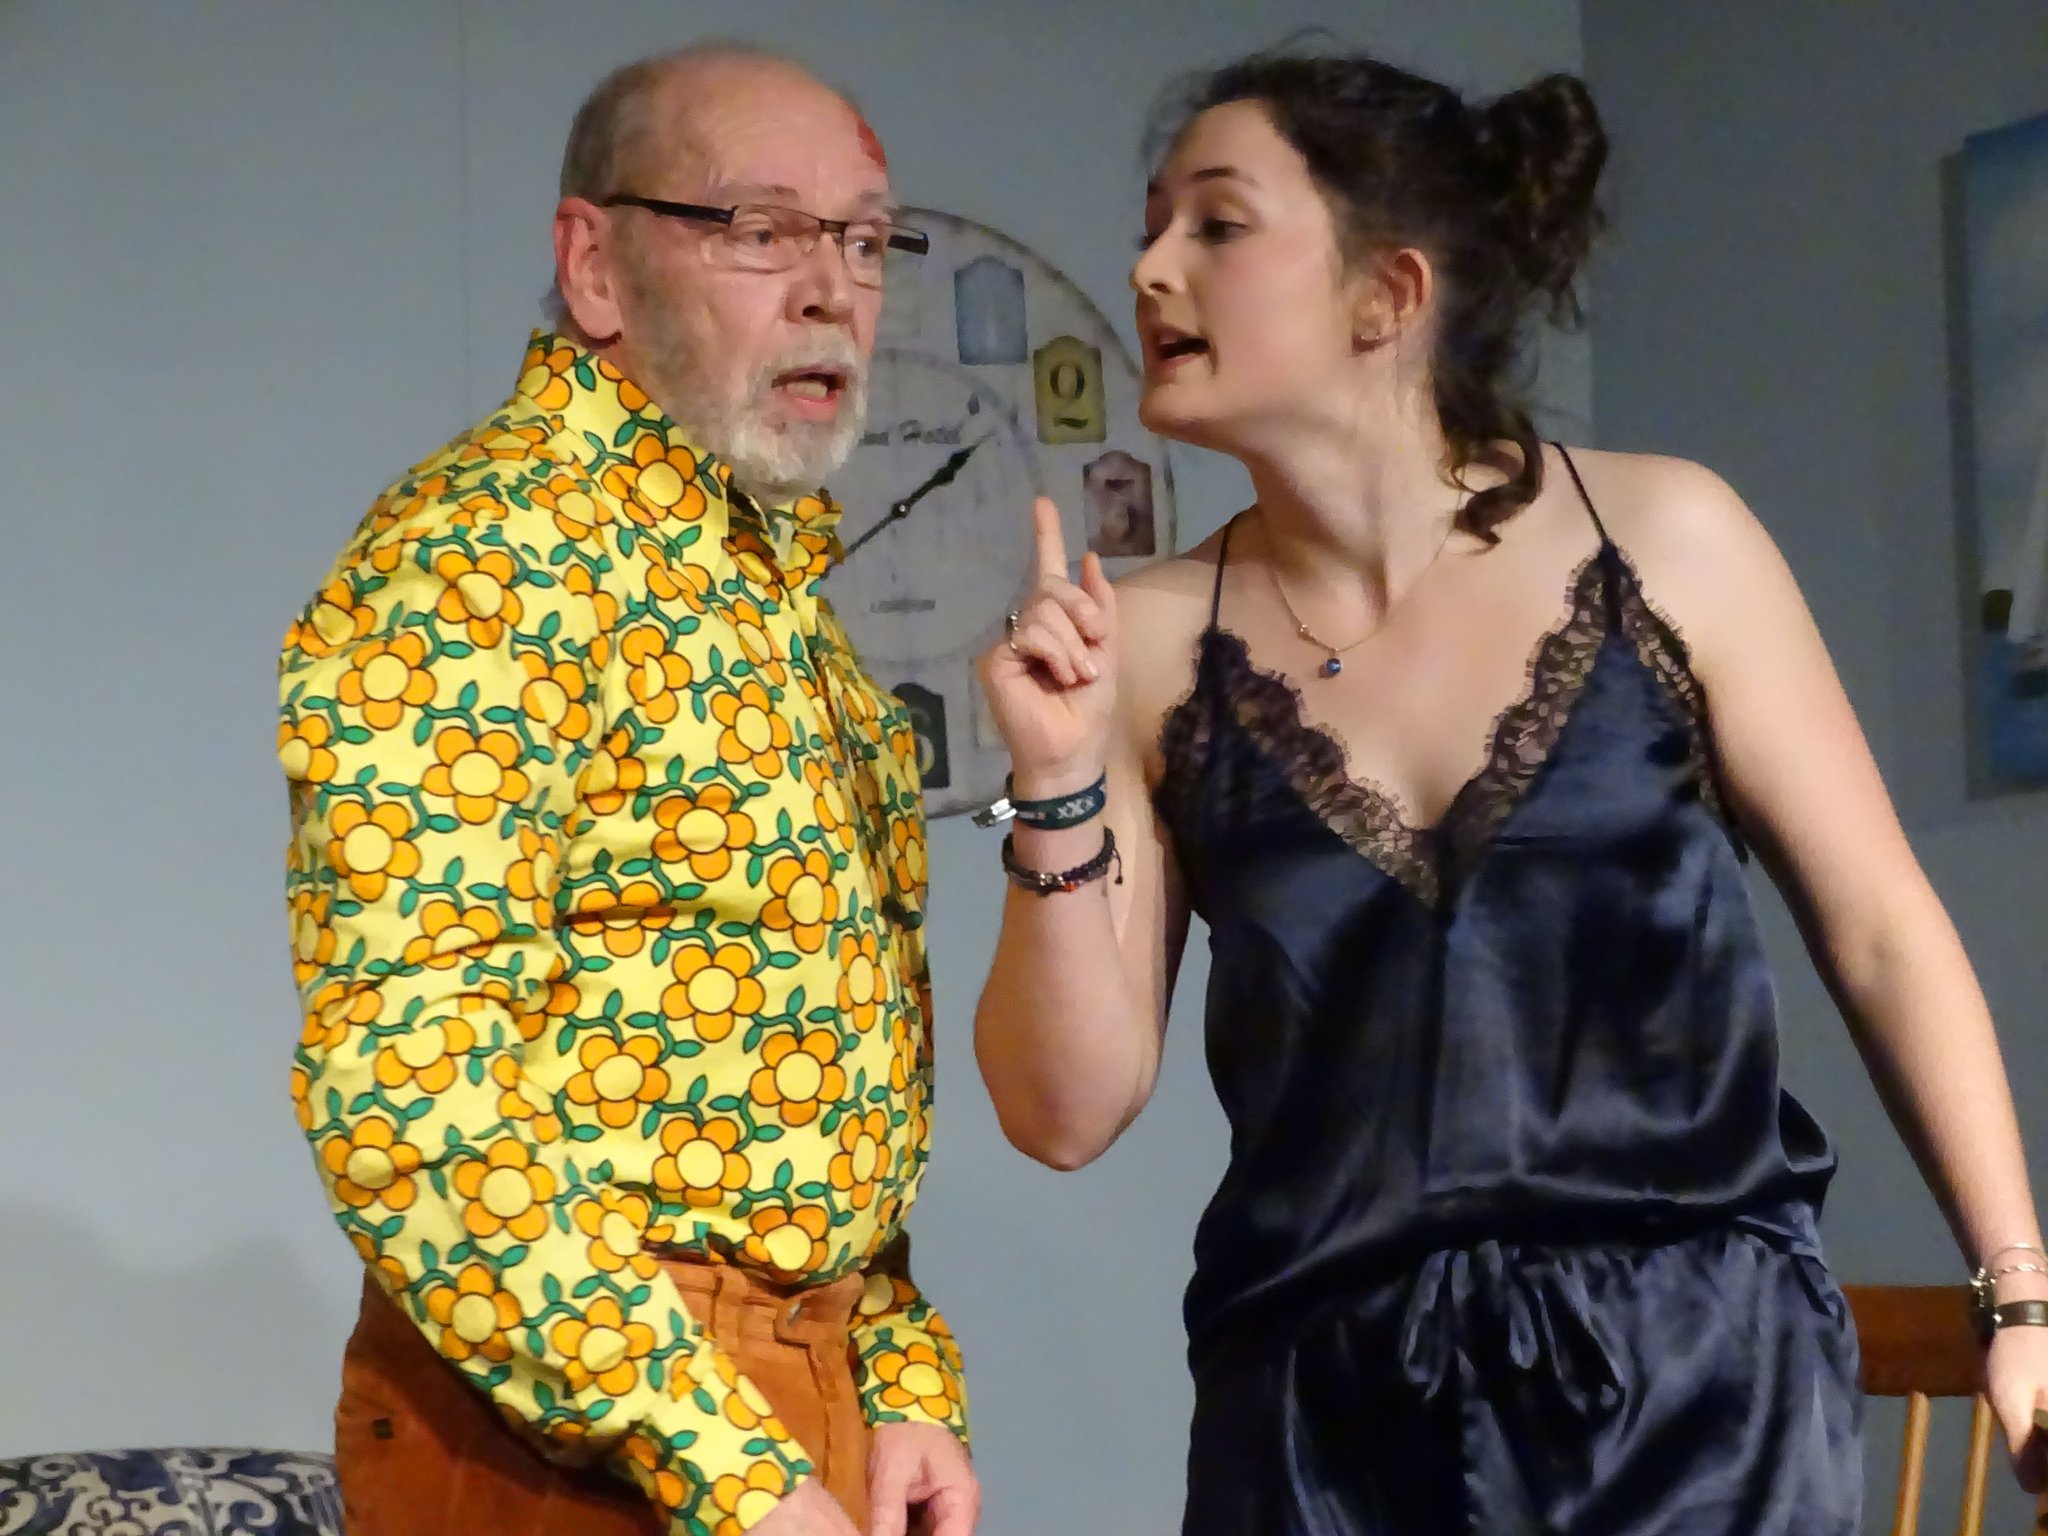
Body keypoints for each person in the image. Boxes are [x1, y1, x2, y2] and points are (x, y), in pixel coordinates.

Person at [972, 48, 2048, 1535]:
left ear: (1389, 293)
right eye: (1152, 226)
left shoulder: (1669, 536)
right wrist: (1052, 777)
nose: (1153, 269)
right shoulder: (1147, 641)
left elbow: (1881, 932)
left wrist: (2019, 1294)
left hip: (1698, 1401)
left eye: (1217, 224)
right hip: (1322, 1427)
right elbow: (1066, 1111)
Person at [278, 45, 975, 1536]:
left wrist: (895, 1371)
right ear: (595, 266)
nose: (831, 290)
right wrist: (720, 1459)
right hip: (571, 1433)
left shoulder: (764, 582)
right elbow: (410, 1083)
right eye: (762, 229)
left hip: (790, 1403)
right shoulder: (488, 550)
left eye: (865, 242)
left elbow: (807, 1081)